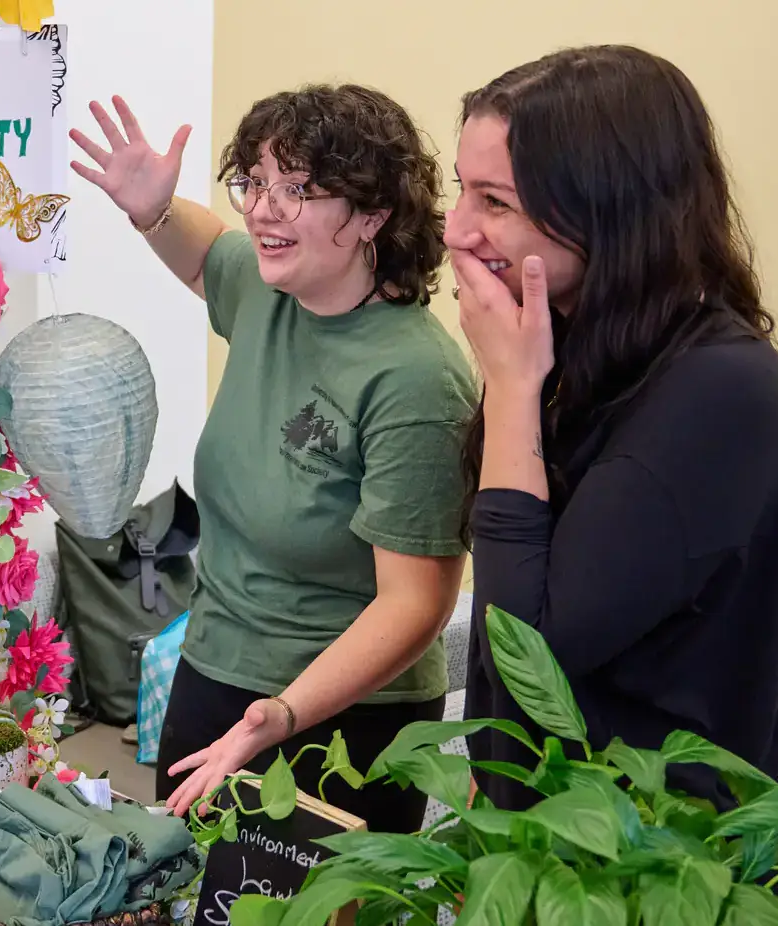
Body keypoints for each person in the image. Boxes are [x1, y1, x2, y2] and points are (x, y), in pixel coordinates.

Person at [71, 87, 474, 832]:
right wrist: (152, 209)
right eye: (255, 182)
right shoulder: (268, 292)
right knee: (185, 881)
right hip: (213, 669)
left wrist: (282, 714)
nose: (262, 210)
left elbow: (415, 604)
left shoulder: (418, 380)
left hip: (345, 720)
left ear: (374, 215)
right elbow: (205, 253)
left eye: (296, 189)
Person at [448, 45, 778, 821]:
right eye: (460, 191)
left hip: (664, 853)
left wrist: (509, 388)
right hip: (543, 833)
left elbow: (530, 655)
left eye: (495, 202)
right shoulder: (565, 343)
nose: (457, 231)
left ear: (608, 207)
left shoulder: (721, 387)